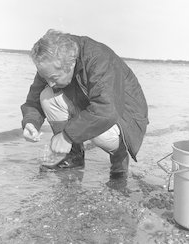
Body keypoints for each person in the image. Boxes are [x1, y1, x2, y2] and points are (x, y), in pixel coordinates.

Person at [21, 29, 149, 179]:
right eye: (45, 77)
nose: (49, 82)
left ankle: (119, 157)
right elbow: (34, 97)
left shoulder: (100, 60)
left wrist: (67, 136)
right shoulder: (51, 61)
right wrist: (31, 122)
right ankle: (71, 156)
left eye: (54, 77)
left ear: (70, 63)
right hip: (90, 103)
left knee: (100, 134)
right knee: (46, 96)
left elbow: (107, 110)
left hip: (126, 115)